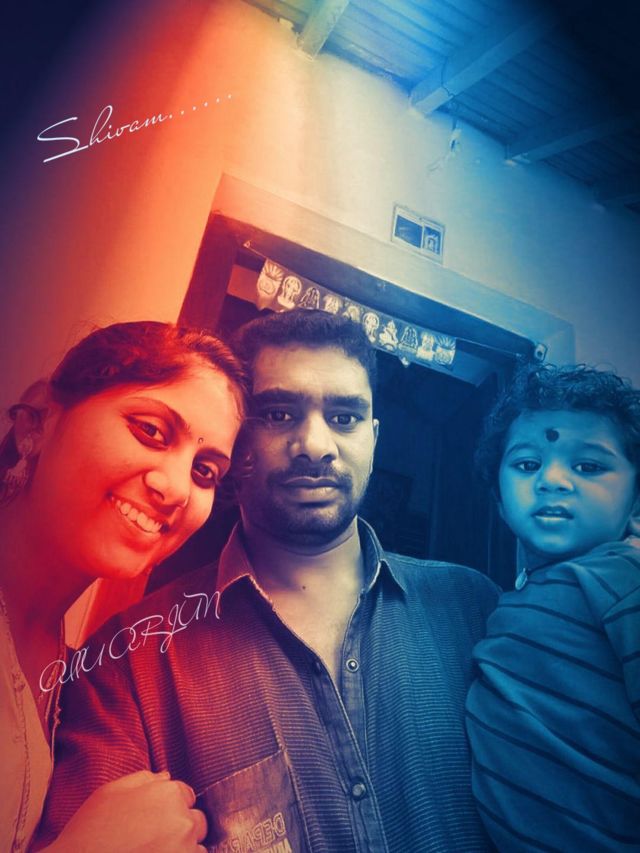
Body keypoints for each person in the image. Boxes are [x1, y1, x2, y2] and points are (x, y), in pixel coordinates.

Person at [40, 309, 499, 852]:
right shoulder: (127, 663)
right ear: (238, 444)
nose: (316, 445)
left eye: (345, 417)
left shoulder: (474, 609)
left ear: (374, 439)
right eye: (279, 414)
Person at [0, 320, 247, 852]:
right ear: (38, 420)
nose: (177, 489)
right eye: (151, 431)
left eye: (205, 472)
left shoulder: (72, 670)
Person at [465, 364, 640, 851]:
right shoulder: (507, 599)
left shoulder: (625, 580)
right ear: (500, 501)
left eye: (588, 466)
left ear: (636, 501)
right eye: (527, 465)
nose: (552, 480)